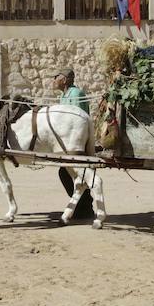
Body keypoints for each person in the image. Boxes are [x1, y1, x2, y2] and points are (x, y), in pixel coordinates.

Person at [54, 69, 93, 218]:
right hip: (68, 141)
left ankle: (85, 207)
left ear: (64, 80)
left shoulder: (76, 94)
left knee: (77, 172)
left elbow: (78, 119)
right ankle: (82, 206)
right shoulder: (64, 95)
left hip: (77, 140)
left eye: (56, 77)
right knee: (67, 172)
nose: (54, 80)